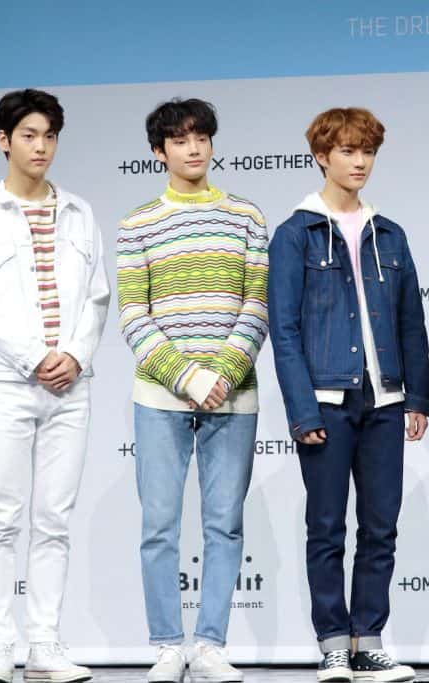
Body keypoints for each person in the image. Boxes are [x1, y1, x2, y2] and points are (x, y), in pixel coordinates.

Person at [268, 107, 429, 682]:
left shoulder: (388, 233)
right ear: (322, 156)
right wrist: (301, 409)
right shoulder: (295, 234)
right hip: (325, 399)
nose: (360, 161)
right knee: (326, 527)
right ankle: (332, 644)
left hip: (385, 400)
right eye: (347, 150)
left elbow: (412, 321)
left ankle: (368, 640)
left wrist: (416, 397)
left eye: (367, 150)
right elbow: (284, 330)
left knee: (380, 526)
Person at [0, 88, 110, 683]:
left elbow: (97, 296)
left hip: (71, 385)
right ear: (3, 140)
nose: (40, 147)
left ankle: (44, 647)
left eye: (49, 136)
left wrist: (75, 355)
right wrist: (35, 356)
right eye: (28, 135)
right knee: (2, 517)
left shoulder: (80, 212)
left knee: (53, 521)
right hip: (7, 382)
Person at [117, 97, 268, 683]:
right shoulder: (138, 223)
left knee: (224, 523)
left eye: (201, 137)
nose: (194, 148)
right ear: (159, 152)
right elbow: (134, 315)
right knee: (159, 525)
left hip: (234, 393)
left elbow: (256, 305)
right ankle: (166, 645)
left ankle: (209, 645)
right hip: (161, 396)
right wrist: (187, 377)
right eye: (180, 140)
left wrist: (222, 373)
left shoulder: (247, 216)